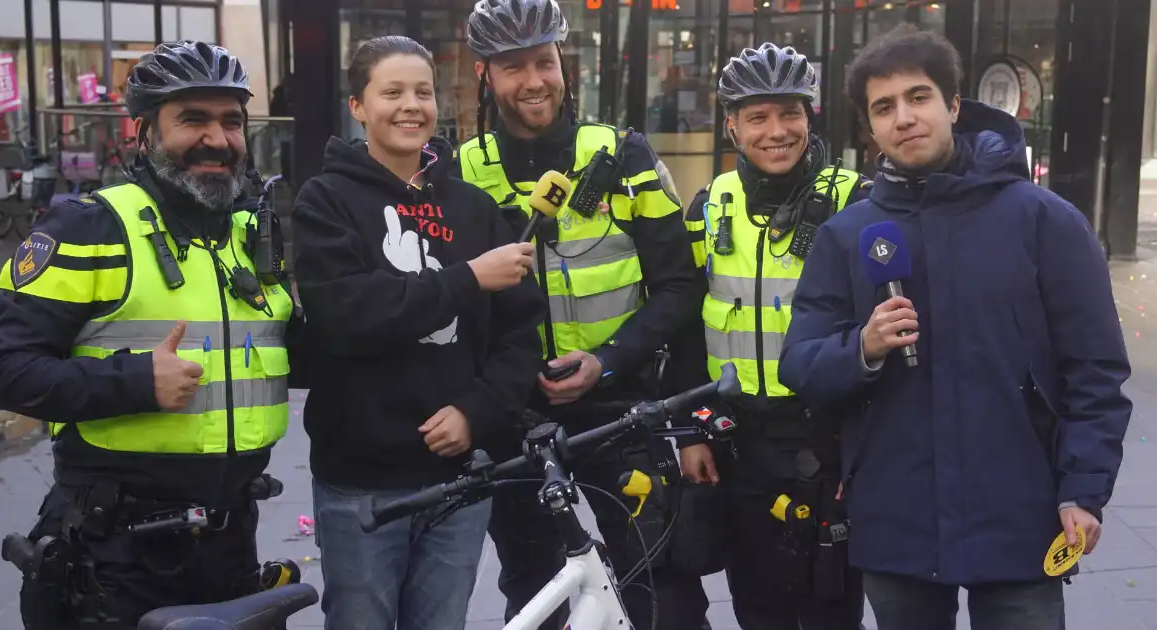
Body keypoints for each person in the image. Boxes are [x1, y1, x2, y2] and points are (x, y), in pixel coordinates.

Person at [778, 25, 1132, 629]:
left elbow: (1095, 372)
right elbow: (801, 363)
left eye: (918, 97)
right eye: (883, 107)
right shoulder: (848, 235)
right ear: (870, 129)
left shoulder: (1044, 222)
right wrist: (861, 349)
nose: (904, 118)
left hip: (1022, 515)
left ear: (954, 106)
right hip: (895, 519)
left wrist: (1082, 489)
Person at [0, 40, 296, 627]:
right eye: (192, 119)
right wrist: (135, 380)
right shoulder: (91, 226)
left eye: (231, 121)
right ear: (142, 131)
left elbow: (282, 353)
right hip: (117, 556)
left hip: (230, 544)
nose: (217, 139)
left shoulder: (248, 234)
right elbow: (3, 370)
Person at [456, 2, 707, 629]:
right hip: (513, 421)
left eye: (545, 61)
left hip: (621, 411)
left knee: (663, 592)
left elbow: (678, 287)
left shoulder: (626, 156)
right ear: (485, 74)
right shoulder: (460, 173)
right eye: (514, 67)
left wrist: (609, 361)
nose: (534, 80)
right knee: (535, 599)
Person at [291, 35, 547, 630]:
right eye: (392, 92)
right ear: (357, 106)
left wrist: (475, 412)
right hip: (361, 484)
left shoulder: (476, 209)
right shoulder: (325, 201)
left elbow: (519, 337)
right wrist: (468, 279)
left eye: (424, 92)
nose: (411, 106)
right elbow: (346, 317)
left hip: (459, 482)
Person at [674, 43, 871, 630]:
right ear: (732, 125)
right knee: (758, 607)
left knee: (831, 607)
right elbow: (687, 327)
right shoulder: (710, 206)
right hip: (739, 443)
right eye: (757, 117)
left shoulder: (855, 199)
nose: (776, 131)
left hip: (828, 439)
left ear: (811, 116)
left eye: (790, 113)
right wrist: (691, 430)